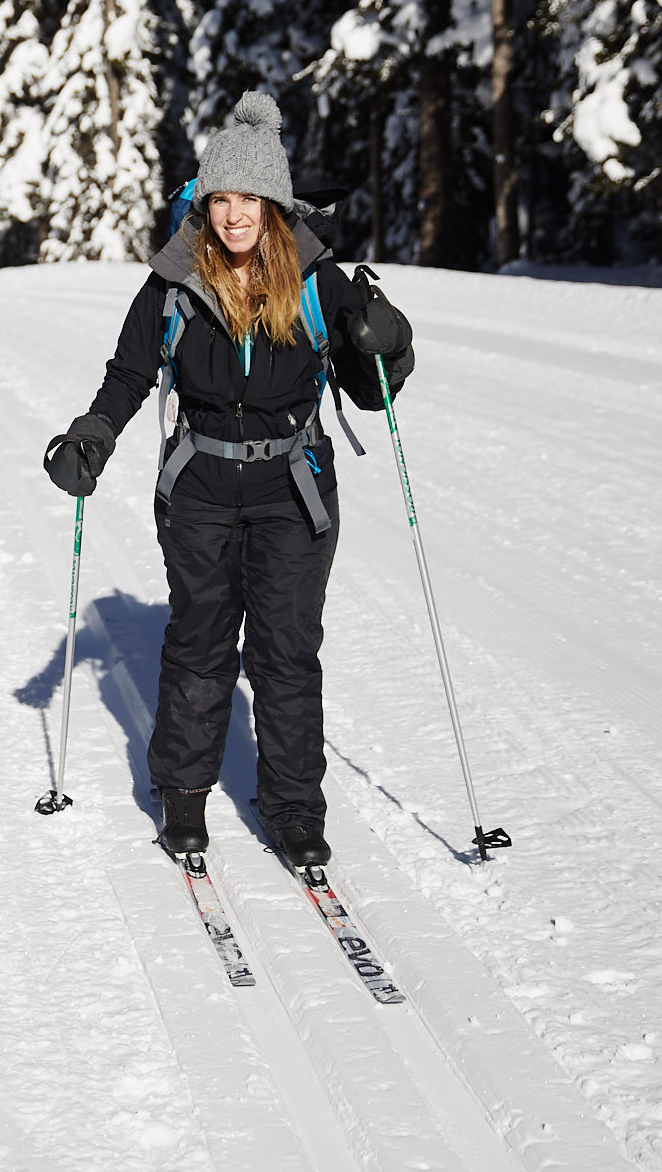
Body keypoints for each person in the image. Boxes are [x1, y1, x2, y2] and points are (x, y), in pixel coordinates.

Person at [41, 90, 416, 868]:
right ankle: (182, 795)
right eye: (221, 197)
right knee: (201, 642)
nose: (235, 214)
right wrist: (93, 437)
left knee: (285, 651)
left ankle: (292, 807)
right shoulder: (175, 280)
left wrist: (391, 341)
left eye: (249, 198)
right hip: (201, 486)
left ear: (274, 202)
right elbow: (129, 372)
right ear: (204, 200)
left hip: (294, 486)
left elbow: (370, 386)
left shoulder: (318, 279)